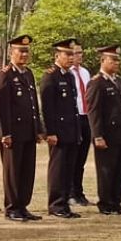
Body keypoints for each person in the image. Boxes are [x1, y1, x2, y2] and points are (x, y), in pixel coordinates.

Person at [0, 34, 45, 222]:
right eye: (20, 51)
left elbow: (33, 105)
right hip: (13, 132)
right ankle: (12, 207)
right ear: (11, 53)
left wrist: (38, 128)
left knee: (27, 170)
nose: (24, 55)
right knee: (13, 171)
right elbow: (2, 106)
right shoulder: (6, 74)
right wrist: (6, 132)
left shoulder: (28, 73)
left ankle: (23, 205)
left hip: (28, 131)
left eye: (26, 51)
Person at [87, 45, 121, 215]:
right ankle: (105, 203)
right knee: (106, 170)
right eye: (112, 59)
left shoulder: (119, 81)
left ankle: (116, 202)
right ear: (103, 60)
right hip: (107, 135)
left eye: (117, 60)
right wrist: (97, 135)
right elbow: (93, 111)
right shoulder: (97, 83)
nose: (116, 63)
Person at [40, 38, 81, 219]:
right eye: (67, 54)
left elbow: (72, 106)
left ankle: (64, 203)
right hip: (58, 131)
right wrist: (51, 132)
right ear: (57, 55)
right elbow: (48, 108)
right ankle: (56, 204)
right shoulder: (50, 76)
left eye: (73, 54)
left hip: (71, 130)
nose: (71, 57)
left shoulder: (69, 76)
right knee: (58, 169)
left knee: (68, 169)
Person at [68, 43, 94, 207]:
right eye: (76, 53)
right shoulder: (66, 73)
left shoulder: (85, 72)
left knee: (82, 159)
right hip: (74, 117)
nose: (79, 56)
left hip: (86, 117)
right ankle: (69, 192)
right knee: (72, 157)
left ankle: (79, 192)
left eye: (80, 53)